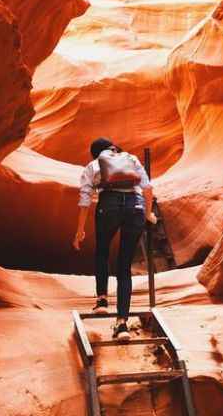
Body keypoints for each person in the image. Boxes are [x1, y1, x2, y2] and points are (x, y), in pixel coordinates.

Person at [73, 137, 157, 340]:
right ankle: (122, 325)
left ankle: (102, 300)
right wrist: (147, 214)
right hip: (135, 207)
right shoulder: (131, 159)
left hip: (108, 207)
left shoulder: (93, 165)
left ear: (96, 153)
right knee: (124, 266)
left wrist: (80, 230)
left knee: (102, 250)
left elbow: (85, 198)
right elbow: (147, 188)